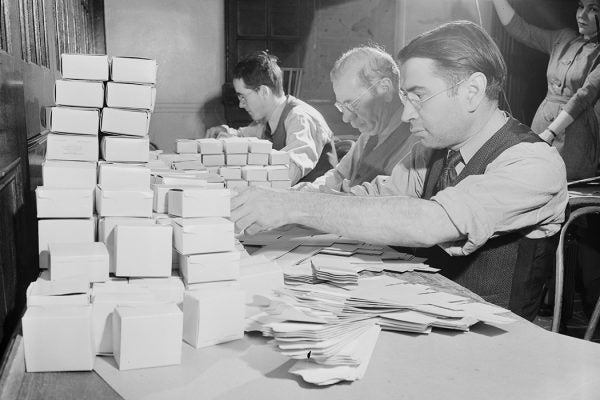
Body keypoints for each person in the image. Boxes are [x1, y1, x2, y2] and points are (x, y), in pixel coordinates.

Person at [231, 21, 569, 321]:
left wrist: (291, 206)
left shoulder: (534, 163)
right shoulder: (431, 151)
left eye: (418, 96)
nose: (406, 115)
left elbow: (430, 222)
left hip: (497, 353)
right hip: (428, 322)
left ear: (472, 91)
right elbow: (370, 199)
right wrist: (278, 204)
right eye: (405, 98)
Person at [492, 0, 600, 181]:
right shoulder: (563, 38)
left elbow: (583, 97)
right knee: (534, 179)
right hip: (542, 126)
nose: (582, 15)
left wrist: (550, 133)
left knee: (564, 186)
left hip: (575, 138)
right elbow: (520, 29)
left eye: (593, 9)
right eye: (581, 6)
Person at [294, 45, 419, 192]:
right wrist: (306, 191)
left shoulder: (418, 143)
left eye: (352, 104)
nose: (346, 118)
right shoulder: (368, 136)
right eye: (341, 106)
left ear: (385, 89)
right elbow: (339, 175)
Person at [206, 51, 336, 185]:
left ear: (263, 92)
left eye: (243, 96)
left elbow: (288, 173)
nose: (240, 104)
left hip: (313, 199)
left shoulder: (300, 117)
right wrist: (226, 131)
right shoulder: (267, 120)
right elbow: (246, 134)